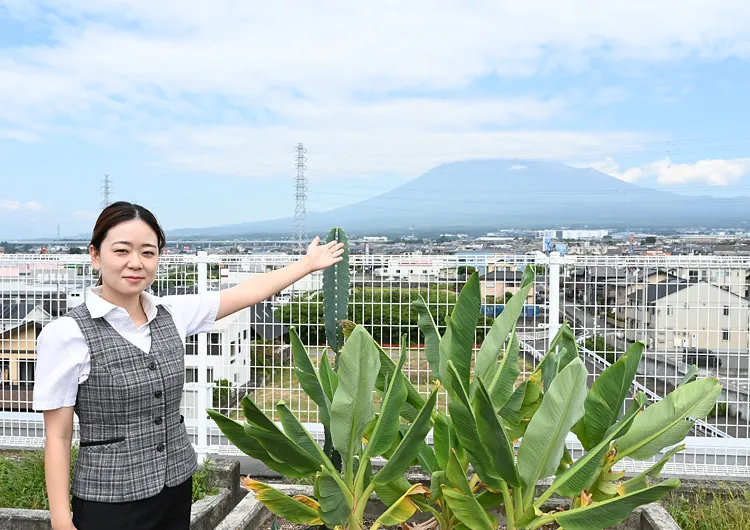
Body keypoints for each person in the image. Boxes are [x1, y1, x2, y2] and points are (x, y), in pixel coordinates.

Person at [32, 201, 344, 530]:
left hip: (176, 486)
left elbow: (244, 293)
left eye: (148, 252)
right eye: (122, 251)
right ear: (95, 255)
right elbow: (58, 435)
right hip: (109, 499)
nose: (135, 263)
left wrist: (306, 265)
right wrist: (61, 520)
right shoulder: (66, 334)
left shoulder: (171, 312)